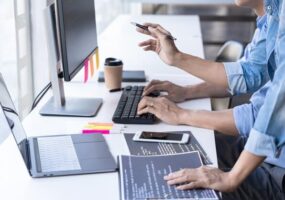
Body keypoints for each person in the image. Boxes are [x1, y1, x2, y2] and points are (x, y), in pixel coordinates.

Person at [135, 0, 285, 199]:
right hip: (262, 150)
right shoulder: (274, 14)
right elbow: (250, 73)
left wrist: (230, 178)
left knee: (172, 188)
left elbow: (268, 116)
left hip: (278, 171)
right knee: (170, 152)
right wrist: (185, 86)